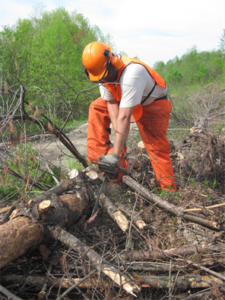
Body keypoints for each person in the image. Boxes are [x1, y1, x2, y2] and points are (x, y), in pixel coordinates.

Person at [82, 41, 176, 191]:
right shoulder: (102, 74)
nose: (105, 81)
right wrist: (118, 151)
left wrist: (116, 153)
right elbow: (112, 103)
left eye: (106, 77)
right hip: (123, 97)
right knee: (97, 107)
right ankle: (102, 160)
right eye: (101, 79)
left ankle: (168, 190)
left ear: (112, 62)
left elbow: (124, 117)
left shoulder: (132, 74)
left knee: (156, 147)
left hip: (152, 104)